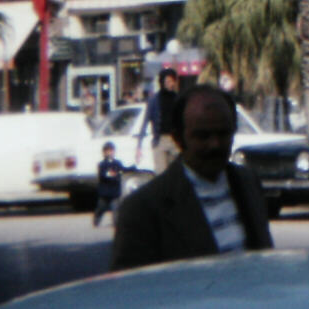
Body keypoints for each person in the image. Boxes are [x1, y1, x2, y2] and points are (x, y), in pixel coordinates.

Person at [111, 84, 273, 271]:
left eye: (223, 134)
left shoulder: (248, 183)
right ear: (178, 139)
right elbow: (128, 287)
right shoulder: (143, 208)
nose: (215, 144)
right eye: (203, 136)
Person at [138, 68, 180, 173]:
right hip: (160, 140)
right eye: (167, 81)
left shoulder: (178, 98)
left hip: (175, 140)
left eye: (172, 81)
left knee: (176, 172)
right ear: (162, 83)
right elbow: (145, 121)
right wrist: (139, 145)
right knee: (161, 172)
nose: (170, 84)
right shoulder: (154, 100)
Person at [95, 141, 124, 227]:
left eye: (111, 150)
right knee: (101, 207)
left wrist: (132, 168)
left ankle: (116, 222)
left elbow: (122, 169)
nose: (109, 153)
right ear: (103, 153)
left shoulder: (117, 163)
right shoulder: (102, 164)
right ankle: (97, 217)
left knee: (115, 208)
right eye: (107, 151)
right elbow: (102, 174)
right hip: (105, 191)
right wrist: (110, 175)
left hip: (114, 190)